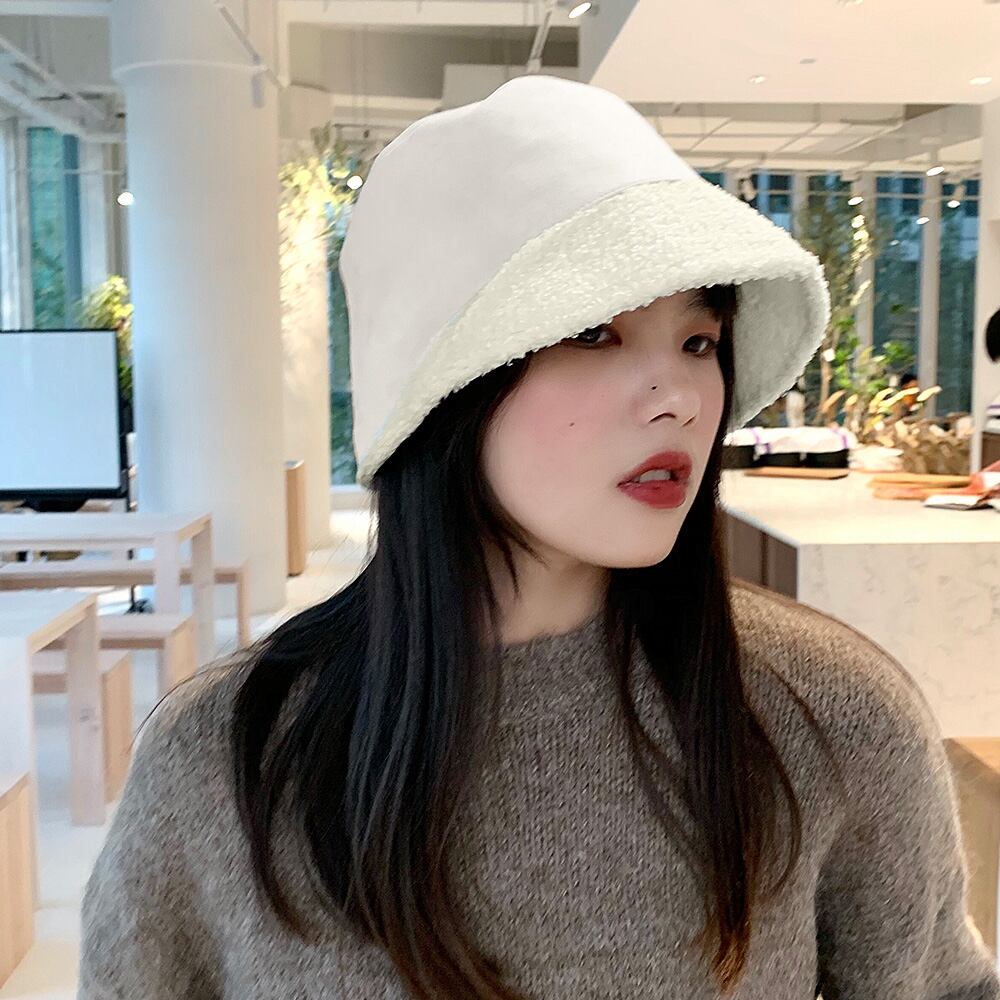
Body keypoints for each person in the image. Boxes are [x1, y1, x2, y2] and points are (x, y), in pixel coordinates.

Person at [76, 76, 999, 1000]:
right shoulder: (228, 759)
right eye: (595, 333)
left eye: (699, 340)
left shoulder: (830, 718)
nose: (682, 399)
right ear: (442, 391)